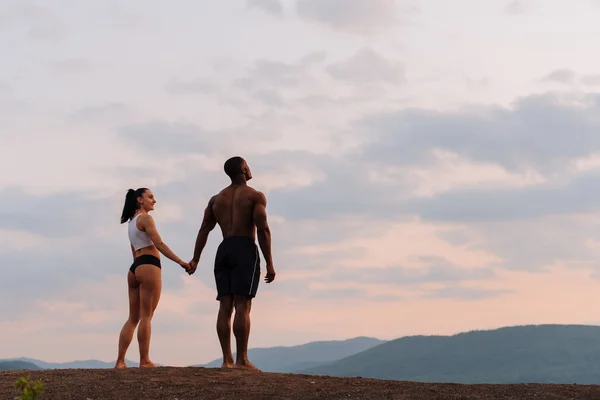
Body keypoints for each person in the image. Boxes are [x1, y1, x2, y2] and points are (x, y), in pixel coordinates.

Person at [188, 156, 276, 371]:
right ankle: (242, 360)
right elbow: (263, 229)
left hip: (224, 249)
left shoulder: (216, 199)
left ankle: (226, 360)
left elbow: (204, 230)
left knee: (224, 304)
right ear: (244, 168)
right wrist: (270, 264)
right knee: (242, 305)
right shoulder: (254, 196)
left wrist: (196, 259)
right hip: (244, 247)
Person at [115, 187, 191, 369]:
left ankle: (120, 361)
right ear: (140, 200)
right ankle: (145, 360)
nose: (154, 200)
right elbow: (159, 244)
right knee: (146, 316)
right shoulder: (146, 219)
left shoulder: (131, 223)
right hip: (149, 264)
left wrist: (138, 268)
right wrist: (181, 262)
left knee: (132, 318)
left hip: (135, 268)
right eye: (150, 197)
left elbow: (133, 249)